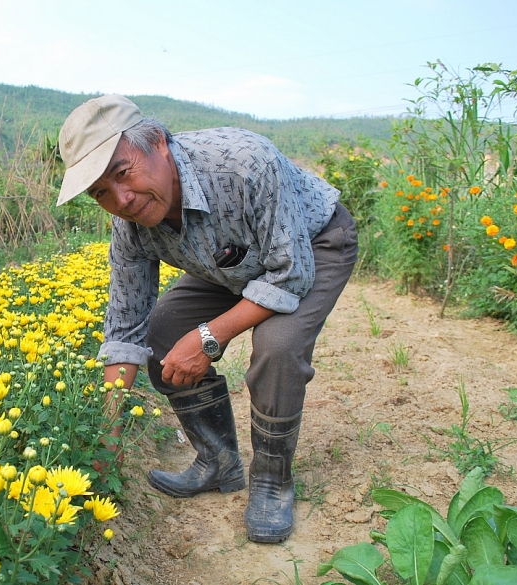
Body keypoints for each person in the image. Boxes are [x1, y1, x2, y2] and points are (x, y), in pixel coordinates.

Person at [56, 94, 357, 543]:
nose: (122, 199)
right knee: (161, 338)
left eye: (123, 173)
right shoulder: (130, 226)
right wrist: (109, 432)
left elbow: (289, 275)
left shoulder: (241, 163)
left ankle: (273, 480)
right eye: (101, 192)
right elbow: (126, 327)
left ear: (157, 142)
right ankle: (218, 461)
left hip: (310, 247)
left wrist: (208, 336)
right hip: (231, 265)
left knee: (277, 346)